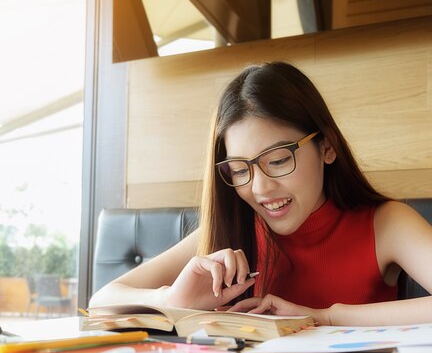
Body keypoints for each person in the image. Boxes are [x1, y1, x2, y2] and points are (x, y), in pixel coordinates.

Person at [89, 61, 432, 326]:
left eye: (279, 160)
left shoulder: (385, 224)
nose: (259, 188)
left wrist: (325, 317)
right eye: (240, 169)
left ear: (327, 146)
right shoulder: (233, 232)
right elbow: (102, 299)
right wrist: (173, 300)